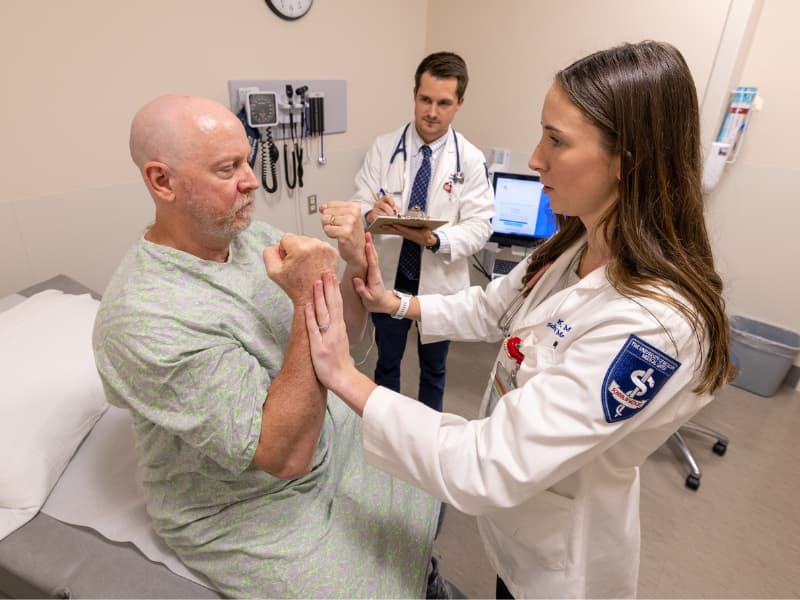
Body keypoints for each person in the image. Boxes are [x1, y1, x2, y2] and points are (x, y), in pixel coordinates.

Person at [301, 41, 735, 598]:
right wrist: (398, 304)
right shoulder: (568, 246)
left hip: (560, 561)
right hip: (517, 525)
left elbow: (488, 464)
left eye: (556, 140)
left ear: (630, 161)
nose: (534, 160)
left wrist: (343, 377)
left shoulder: (654, 325)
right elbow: (492, 308)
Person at [91, 94, 440, 598]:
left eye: (248, 161)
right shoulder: (143, 316)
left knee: (421, 504)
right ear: (161, 181)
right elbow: (283, 456)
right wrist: (304, 300)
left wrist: (354, 270)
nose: (252, 180)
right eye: (228, 168)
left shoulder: (255, 239)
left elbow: (345, 341)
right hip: (250, 505)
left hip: (331, 440)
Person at [351, 51, 495, 412]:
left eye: (443, 103)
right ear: (414, 94)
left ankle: (430, 440)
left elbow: (481, 227)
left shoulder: (472, 160)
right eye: (425, 100)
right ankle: (388, 432)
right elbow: (357, 203)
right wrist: (371, 211)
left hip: (439, 285)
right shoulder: (384, 148)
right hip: (390, 278)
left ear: (460, 103)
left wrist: (435, 240)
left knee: (434, 369)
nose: (432, 112)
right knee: (387, 364)